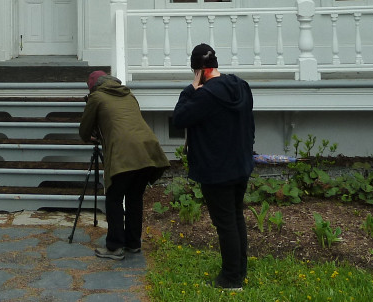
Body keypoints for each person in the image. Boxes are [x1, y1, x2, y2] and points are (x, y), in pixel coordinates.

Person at [172, 43, 255, 291]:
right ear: (214, 65)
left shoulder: (205, 95)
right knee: (236, 217)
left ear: (199, 70)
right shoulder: (241, 86)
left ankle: (231, 280)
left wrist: (191, 89)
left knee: (225, 223)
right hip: (240, 164)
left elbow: (179, 119)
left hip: (217, 170)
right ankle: (239, 270)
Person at [79, 70, 169, 260]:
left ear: (93, 86)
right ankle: (133, 243)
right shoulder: (128, 94)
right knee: (135, 197)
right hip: (147, 151)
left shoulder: (96, 97)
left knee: (114, 198)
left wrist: (90, 137)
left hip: (124, 153)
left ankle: (114, 247)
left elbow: (84, 130)